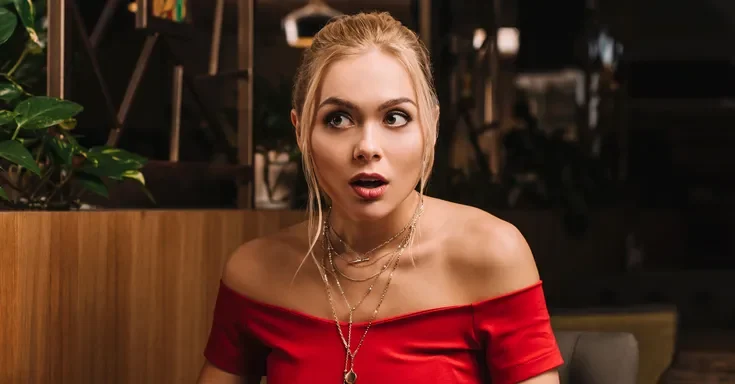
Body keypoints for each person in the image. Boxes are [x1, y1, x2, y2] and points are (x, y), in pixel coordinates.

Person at [197, 12, 562, 384]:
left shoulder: (492, 254)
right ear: (301, 132)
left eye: (395, 117)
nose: (367, 148)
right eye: (338, 119)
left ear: (431, 126)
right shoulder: (254, 272)